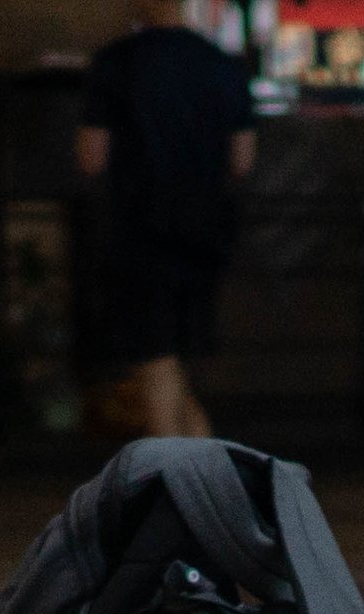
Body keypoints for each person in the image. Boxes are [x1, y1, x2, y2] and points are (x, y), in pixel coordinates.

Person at [77, 1, 256, 440]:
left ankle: (177, 481)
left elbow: (91, 158)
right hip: (205, 229)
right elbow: (242, 159)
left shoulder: (116, 62)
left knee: (153, 357)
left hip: (139, 228)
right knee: (177, 366)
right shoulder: (220, 64)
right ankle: (209, 483)